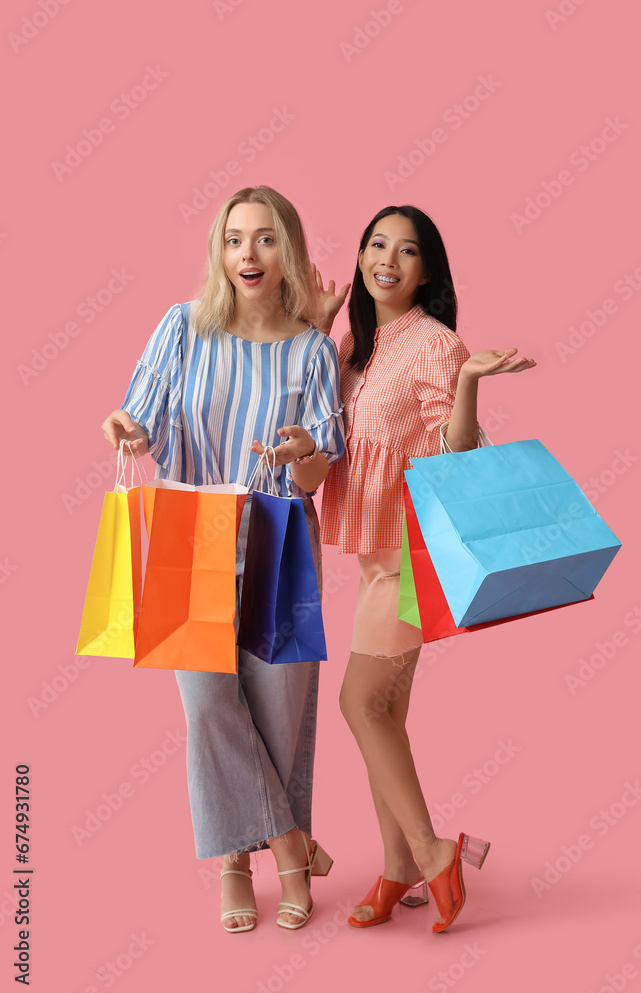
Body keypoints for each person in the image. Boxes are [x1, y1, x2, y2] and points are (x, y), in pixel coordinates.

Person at [101, 186, 344, 933]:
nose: (249, 254)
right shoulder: (182, 328)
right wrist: (124, 428)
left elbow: (318, 470)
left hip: (278, 529)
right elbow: (135, 414)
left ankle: (273, 853)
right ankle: (265, 853)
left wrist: (304, 452)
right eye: (235, 239)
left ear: (288, 252)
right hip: (187, 526)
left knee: (279, 710)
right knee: (209, 707)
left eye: (266, 239)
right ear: (219, 251)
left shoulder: (311, 350)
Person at [317, 205, 536, 932]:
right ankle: (397, 868)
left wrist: (470, 377)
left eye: (407, 251)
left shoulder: (437, 345)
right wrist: (319, 330)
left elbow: (458, 456)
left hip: (413, 559)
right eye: (376, 243)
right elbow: (324, 429)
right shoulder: (359, 343)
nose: (387, 258)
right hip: (377, 564)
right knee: (384, 717)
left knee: (359, 704)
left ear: (427, 272)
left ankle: (432, 848)